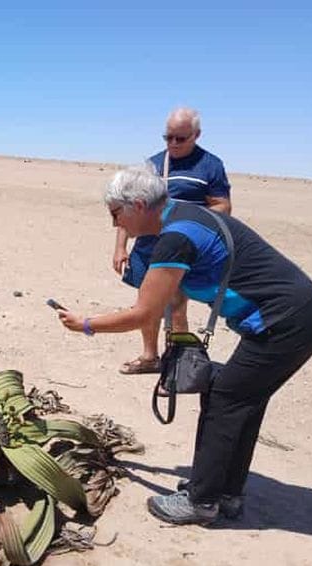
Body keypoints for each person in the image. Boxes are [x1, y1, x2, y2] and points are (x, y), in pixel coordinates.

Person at [57, 165, 312, 525]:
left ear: (138, 205)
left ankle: (201, 501)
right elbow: (174, 297)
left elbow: (144, 313)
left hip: (286, 321)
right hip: (300, 313)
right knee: (242, 399)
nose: (114, 225)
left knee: (225, 398)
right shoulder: (182, 217)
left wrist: (86, 325)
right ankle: (225, 492)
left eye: (116, 214)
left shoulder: (176, 236)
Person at [113, 107, 231, 376]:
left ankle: (179, 362)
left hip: (181, 247)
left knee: (176, 304)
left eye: (181, 138)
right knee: (146, 303)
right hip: (147, 246)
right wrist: (120, 246)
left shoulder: (210, 165)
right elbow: (129, 207)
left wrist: (184, 220)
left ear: (196, 135)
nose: (173, 144)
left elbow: (223, 206)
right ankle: (150, 356)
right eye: (168, 138)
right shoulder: (153, 165)